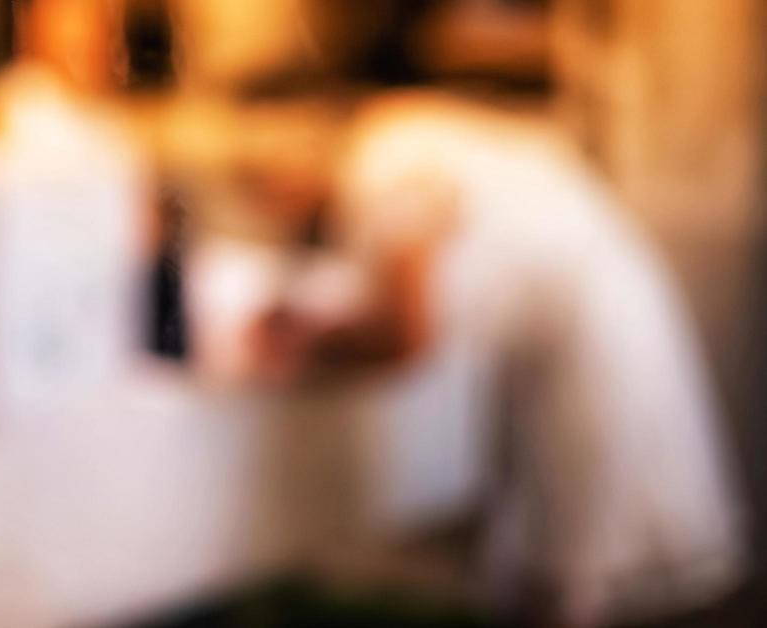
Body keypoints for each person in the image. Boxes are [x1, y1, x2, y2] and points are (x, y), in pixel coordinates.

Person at [241, 93, 746, 627]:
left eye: (260, 177)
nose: (265, 198)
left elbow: (407, 330)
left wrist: (311, 337)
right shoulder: (401, 147)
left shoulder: (385, 156)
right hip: (579, 328)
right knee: (564, 560)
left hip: (581, 342)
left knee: (577, 569)